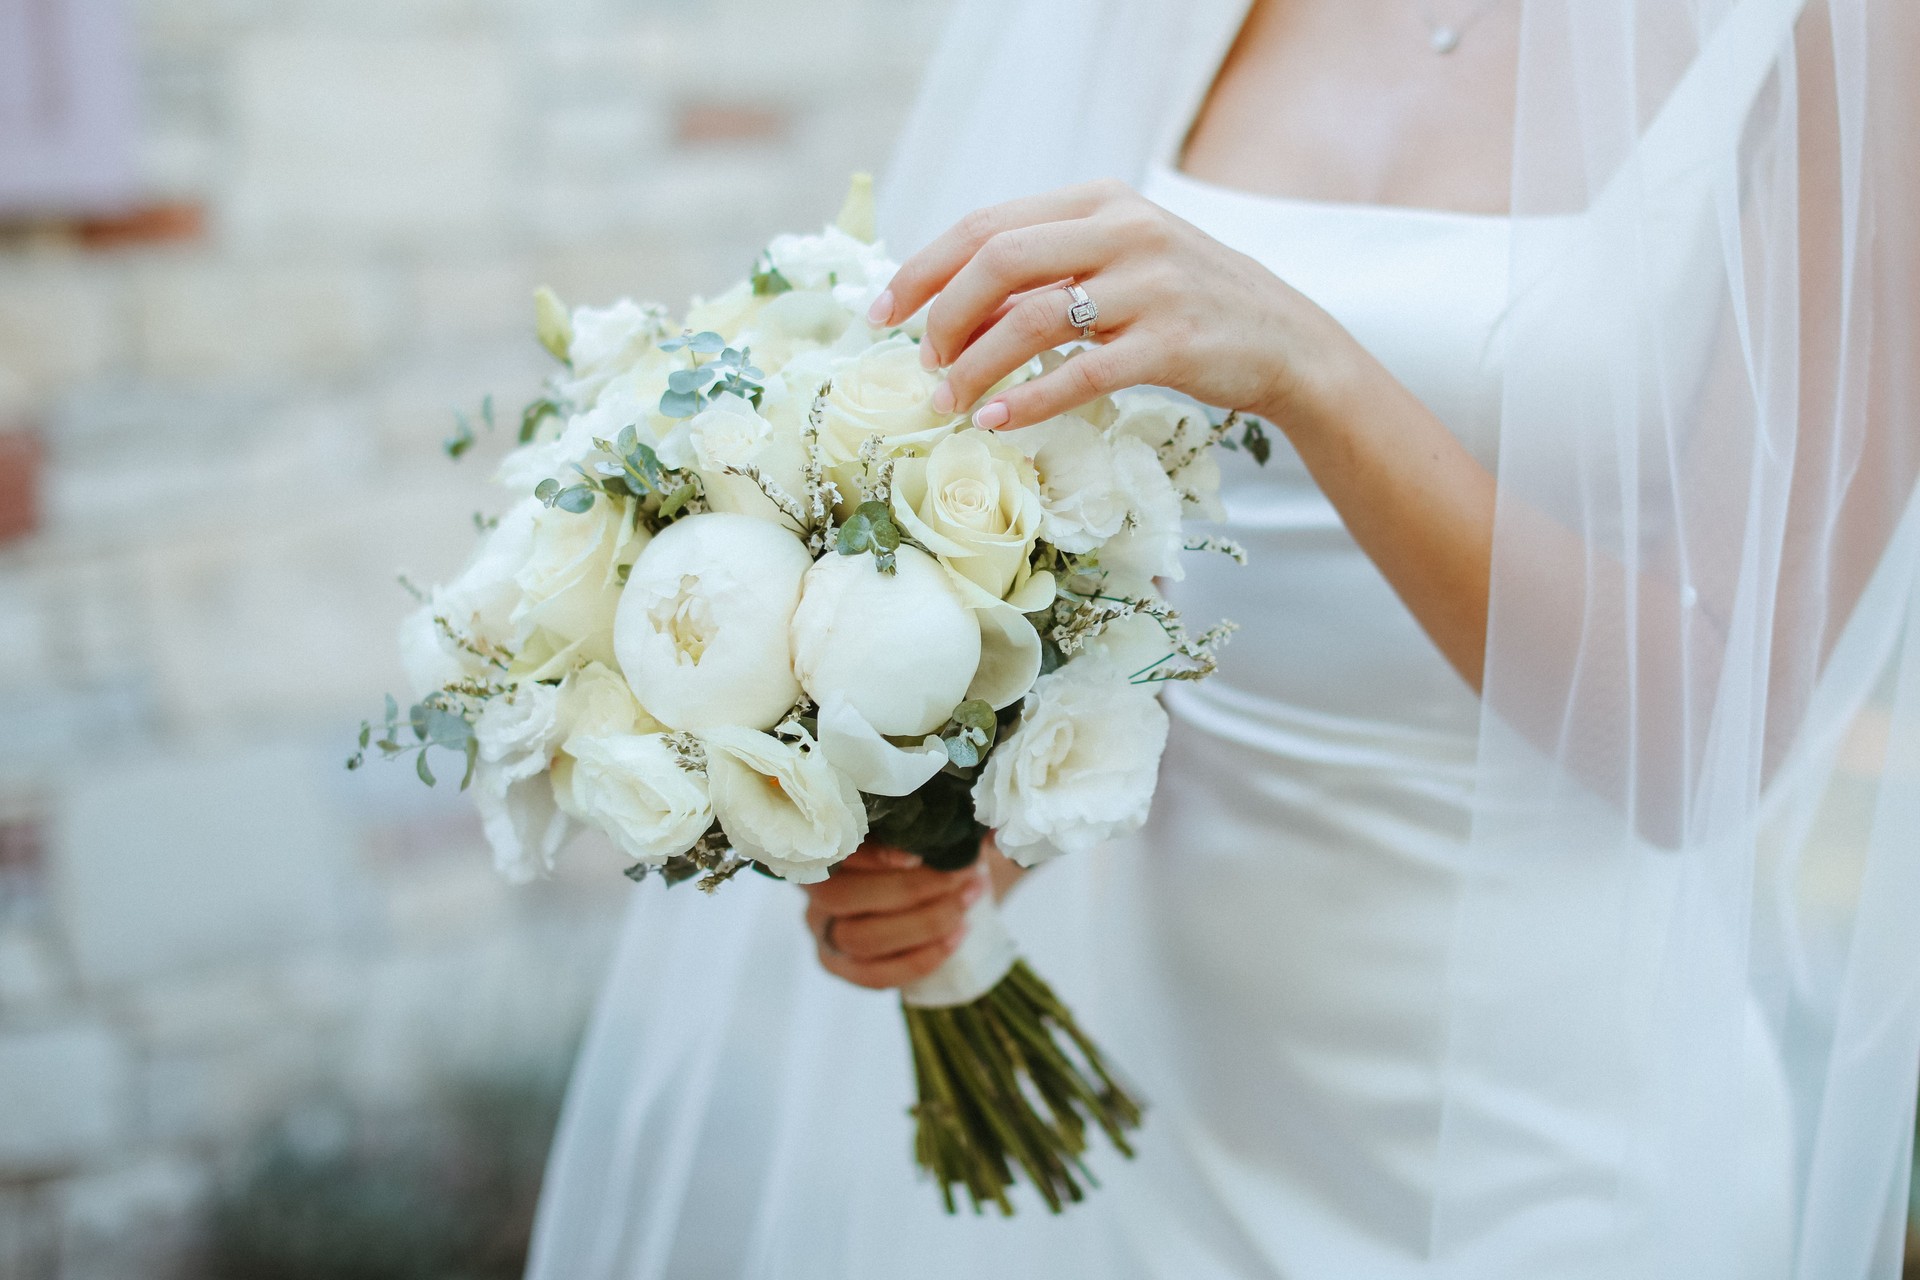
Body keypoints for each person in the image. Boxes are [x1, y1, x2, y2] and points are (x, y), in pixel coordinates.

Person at [526, 2, 1920, 1276]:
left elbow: (1700, 734)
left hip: (1541, 1143)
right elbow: (1122, 513)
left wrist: (1308, 367)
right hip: (1154, 1107)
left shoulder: (1838, 44)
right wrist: (978, 822)